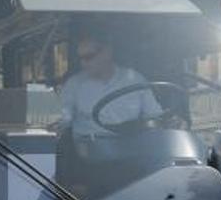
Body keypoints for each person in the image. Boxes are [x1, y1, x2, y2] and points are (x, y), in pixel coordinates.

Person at [59, 34, 162, 162]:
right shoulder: (74, 84)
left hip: (131, 152)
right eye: (80, 58)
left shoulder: (135, 79)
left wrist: (170, 122)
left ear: (107, 53)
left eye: (89, 57)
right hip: (88, 155)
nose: (83, 63)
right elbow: (62, 120)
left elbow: (153, 116)